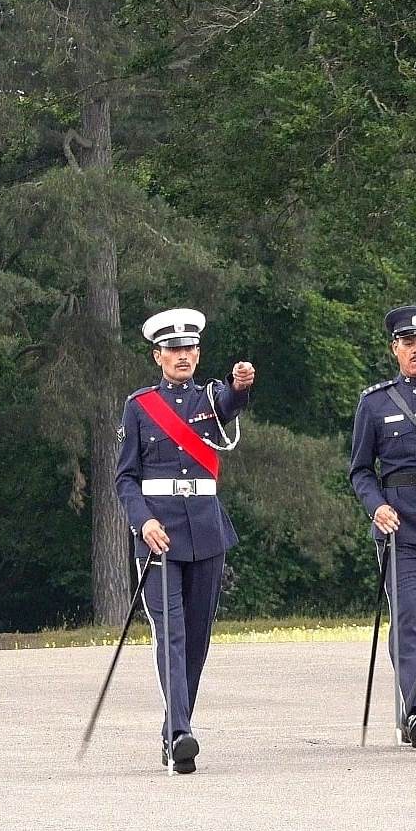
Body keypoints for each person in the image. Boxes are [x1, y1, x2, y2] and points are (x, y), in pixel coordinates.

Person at [115, 308, 255, 774]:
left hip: (205, 530)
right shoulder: (140, 406)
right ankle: (180, 733)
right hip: (159, 534)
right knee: (170, 634)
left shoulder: (211, 399)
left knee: (196, 636)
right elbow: (126, 479)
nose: (182, 356)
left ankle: (175, 726)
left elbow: (232, 404)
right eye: (173, 349)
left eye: (189, 349)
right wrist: (143, 523)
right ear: (158, 356)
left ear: (198, 353)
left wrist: (240, 385)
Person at [348, 305, 416, 748]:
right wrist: (376, 507)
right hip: (400, 524)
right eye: (409, 343)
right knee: (409, 618)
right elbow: (360, 470)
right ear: (395, 349)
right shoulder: (374, 402)